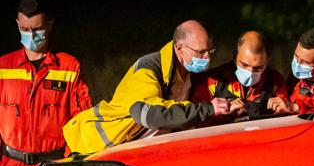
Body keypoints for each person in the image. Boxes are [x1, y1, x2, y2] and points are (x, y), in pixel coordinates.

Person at [0, 0, 92, 166]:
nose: (32, 35)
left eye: (38, 29)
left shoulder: (69, 67)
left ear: (49, 25)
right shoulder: (3, 68)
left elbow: (82, 123)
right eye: (26, 30)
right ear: (18, 25)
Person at [63, 20, 236, 154]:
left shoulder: (189, 71)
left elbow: (217, 89)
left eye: (210, 51)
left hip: (135, 149)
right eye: (200, 52)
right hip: (97, 148)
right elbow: (151, 115)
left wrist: (234, 104)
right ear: (179, 47)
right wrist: (206, 109)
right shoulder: (149, 69)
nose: (207, 58)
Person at [192, 31, 288, 122]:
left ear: (268, 61)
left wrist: (282, 109)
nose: (250, 72)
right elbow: (197, 118)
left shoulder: (275, 82)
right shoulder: (212, 80)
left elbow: (284, 116)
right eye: (244, 65)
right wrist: (225, 112)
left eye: (258, 67)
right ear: (234, 57)